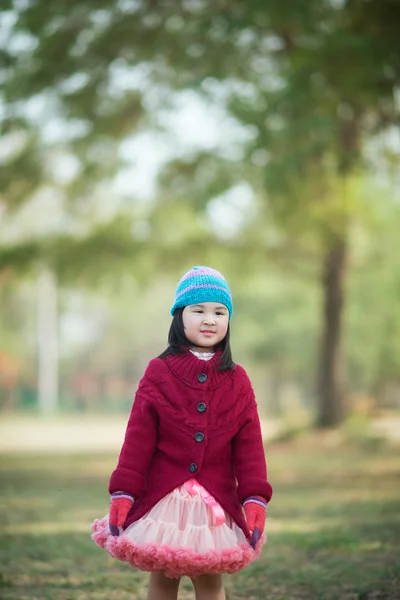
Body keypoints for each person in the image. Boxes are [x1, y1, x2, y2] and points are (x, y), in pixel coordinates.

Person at [91, 266, 273, 600]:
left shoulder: (238, 380)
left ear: (228, 320)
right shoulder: (159, 372)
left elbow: (250, 447)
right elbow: (138, 437)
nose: (209, 319)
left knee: (210, 581)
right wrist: (124, 491)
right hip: (165, 501)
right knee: (163, 577)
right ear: (180, 316)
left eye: (220, 312)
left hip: (214, 503)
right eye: (198, 310)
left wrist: (254, 496)